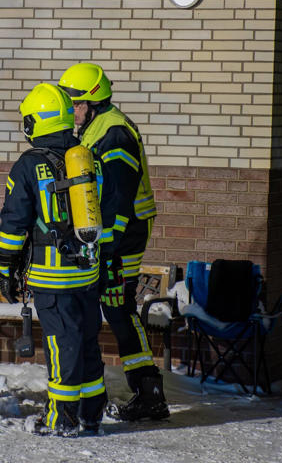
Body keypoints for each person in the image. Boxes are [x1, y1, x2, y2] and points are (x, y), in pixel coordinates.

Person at [0, 83, 118, 437]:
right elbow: (108, 216)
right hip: (88, 272)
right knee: (86, 342)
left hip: (52, 277)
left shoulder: (28, 165)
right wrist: (105, 265)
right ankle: (91, 413)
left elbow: (14, 224)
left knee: (61, 344)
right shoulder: (91, 159)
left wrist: (5, 269)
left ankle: (61, 418)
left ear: (37, 121)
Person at [58, 63, 169, 421]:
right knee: (115, 307)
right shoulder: (94, 129)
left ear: (92, 102)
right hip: (112, 235)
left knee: (119, 306)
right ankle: (145, 390)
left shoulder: (115, 134)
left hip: (123, 234)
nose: (69, 110)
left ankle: (149, 392)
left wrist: (106, 248)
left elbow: (118, 200)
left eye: (73, 103)